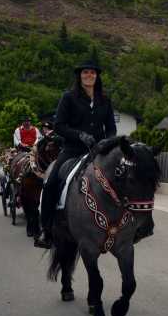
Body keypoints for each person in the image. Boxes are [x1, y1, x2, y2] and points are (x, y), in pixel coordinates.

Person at [35, 60, 117, 249]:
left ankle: (123, 224)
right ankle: (46, 230)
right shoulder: (68, 97)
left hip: (97, 150)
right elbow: (59, 126)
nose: (89, 75)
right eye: (85, 72)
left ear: (97, 76)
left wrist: (107, 140)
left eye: (93, 73)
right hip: (72, 150)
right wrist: (79, 134)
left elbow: (111, 127)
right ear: (80, 76)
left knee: (119, 178)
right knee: (51, 182)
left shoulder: (105, 99)